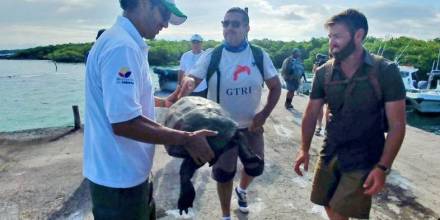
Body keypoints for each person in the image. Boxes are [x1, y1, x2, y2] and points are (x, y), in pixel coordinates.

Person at [83, 0, 216, 219]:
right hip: (119, 181)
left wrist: (162, 102)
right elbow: (125, 123)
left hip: (128, 173)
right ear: (144, 3)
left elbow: (124, 100)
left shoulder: (125, 42)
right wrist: (187, 138)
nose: (166, 24)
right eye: (163, 14)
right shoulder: (122, 48)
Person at [294, 9, 406, 220]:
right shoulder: (323, 72)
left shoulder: (385, 71)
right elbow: (311, 114)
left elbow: (397, 125)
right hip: (331, 150)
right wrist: (304, 149)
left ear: (358, 35)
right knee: (326, 202)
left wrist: (382, 167)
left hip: (365, 156)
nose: (332, 42)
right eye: (330, 36)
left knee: (338, 212)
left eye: (337, 36)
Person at [179, 7, 281, 220]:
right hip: (221, 128)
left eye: (235, 23)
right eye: (225, 23)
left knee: (255, 167)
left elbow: (275, 86)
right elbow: (192, 78)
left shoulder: (258, 55)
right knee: (224, 174)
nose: (229, 28)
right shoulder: (213, 55)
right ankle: (225, 215)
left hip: (251, 126)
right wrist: (187, 82)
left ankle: (242, 191)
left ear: (247, 28)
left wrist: (264, 114)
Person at [312, 53, 329, 136]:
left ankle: (319, 127)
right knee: (328, 109)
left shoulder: (318, 64)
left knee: (320, 108)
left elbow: (314, 72)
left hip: (320, 88)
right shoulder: (331, 62)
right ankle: (326, 129)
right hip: (330, 88)